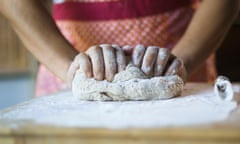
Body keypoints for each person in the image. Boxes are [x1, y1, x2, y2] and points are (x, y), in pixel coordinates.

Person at [0, 0, 239, 96]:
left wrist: (182, 61)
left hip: (180, 61)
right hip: (65, 66)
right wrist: (72, 68)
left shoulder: (177, 67)